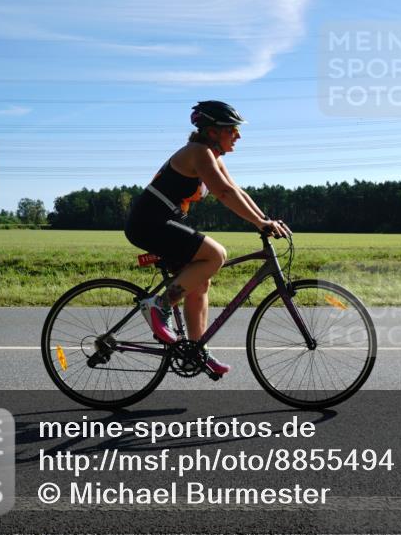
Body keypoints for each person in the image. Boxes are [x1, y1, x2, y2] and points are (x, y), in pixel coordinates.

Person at [124, 100, 290, 375]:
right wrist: (260, 222)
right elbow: (223, 193)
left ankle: (195, 351)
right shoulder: (198, 152)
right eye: (232, 129)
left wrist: (264, 221)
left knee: (200, 283)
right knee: (216, 255)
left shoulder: (212, 156)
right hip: (148, 223)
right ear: (213, 132)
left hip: (163, 222)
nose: (238, 135)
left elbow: (236, 190)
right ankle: (159, 307)